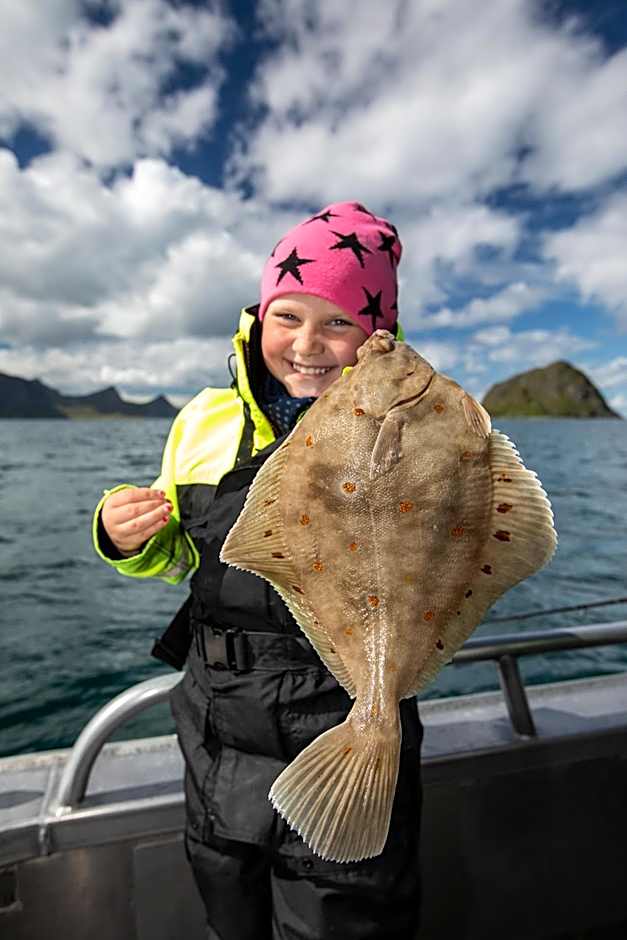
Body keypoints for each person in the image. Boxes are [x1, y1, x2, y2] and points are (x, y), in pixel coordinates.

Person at [93, 201, 423, 940]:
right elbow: (183, 559)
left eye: (338, 322)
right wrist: (124, 534)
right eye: (288, 316)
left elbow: (440, 554)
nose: (307, 343)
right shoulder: (203, 421)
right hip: (217, 730)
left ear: (377, 337)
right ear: (258, 316)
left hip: (344, 719)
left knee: (343, 920)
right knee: (229, 917)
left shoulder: (405, 428)